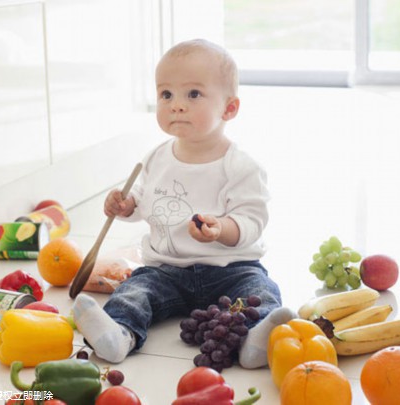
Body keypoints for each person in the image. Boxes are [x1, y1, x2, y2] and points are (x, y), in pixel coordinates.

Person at [73, 38, 295, 369]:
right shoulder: (156, 158)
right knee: (135, 292)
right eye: (166, 94)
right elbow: (146, 203)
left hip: (230, 269)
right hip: (166, 269)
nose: (177, 105)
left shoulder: (241, 166)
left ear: (229, 108)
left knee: (260, 291)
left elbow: (251, 221)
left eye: (193, 94)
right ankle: (119, 334)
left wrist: (222, 229)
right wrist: (127, 205)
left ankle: (253, 340)